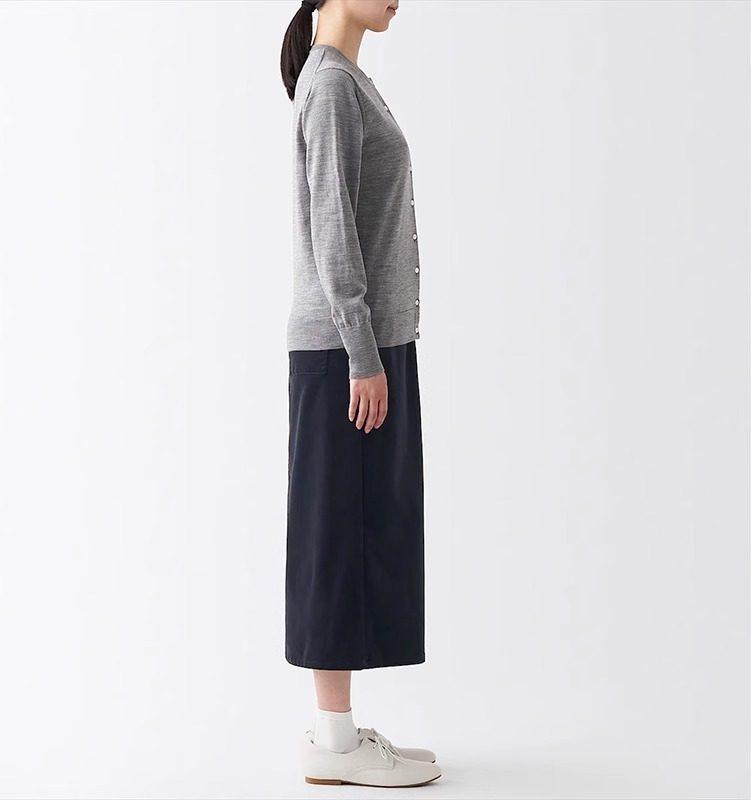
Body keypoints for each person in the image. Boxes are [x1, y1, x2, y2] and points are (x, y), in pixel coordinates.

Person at [280, 0, 441, 788]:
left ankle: (338, 730)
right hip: (348, 352)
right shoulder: (332, 85)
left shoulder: (344, 80)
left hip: (366, 346)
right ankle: (335, 744)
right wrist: (362, 353)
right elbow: (331, 228)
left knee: (362, 527)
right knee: (336, 537)